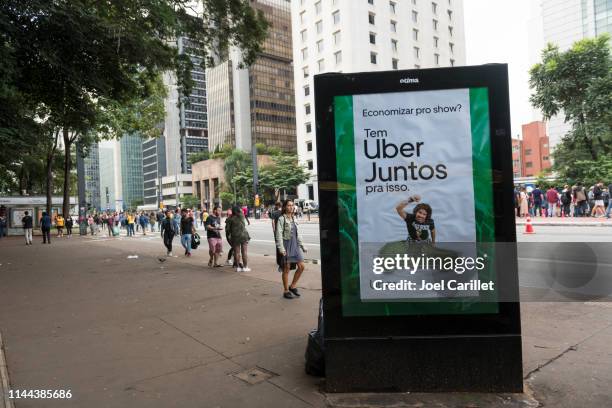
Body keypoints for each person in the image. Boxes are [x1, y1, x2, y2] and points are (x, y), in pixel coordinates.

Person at [275, 200, 307, 299]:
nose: (291, 207)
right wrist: (281, 248)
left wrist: (302, 245)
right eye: (289, 205)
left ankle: (292, 286)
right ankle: (286, 290)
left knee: (301, 267)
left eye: (292, 205)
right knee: (287, 268)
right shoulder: (281, 219)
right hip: (286, 245)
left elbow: (298, 234)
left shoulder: (294, 218)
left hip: (295, 245)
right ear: (284, 207)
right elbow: (278, 234)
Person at [226, 205, 251, 272]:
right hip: (243, 236)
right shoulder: (241, 216)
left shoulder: (230, 219)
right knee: (244, 252)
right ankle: (245, 267)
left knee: (237, 253)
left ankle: (238, 267)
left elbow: (227, 230)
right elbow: (242, 211)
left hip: (235, 237)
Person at [270, 201, 283, 271]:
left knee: (278, 245)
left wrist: (274, 230)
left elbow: (272, 222)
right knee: (283, 245)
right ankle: (283, 259)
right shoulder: (283, 212)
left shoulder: (274, 213)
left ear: (277, 206)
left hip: (277, 231)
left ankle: (278, 261)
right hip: (283, 231)